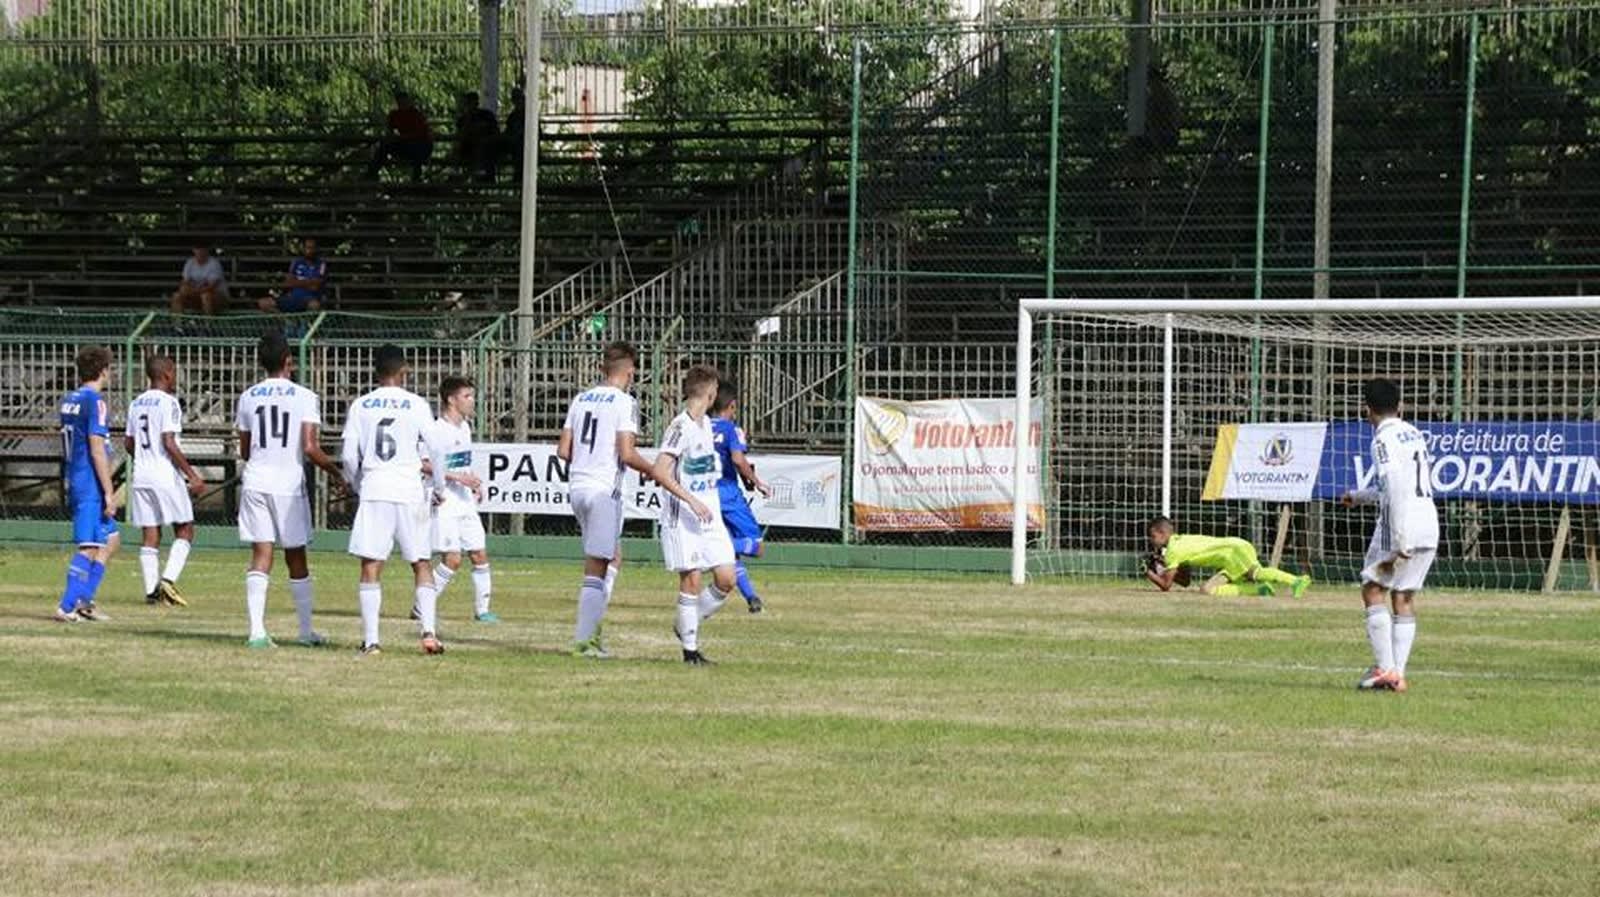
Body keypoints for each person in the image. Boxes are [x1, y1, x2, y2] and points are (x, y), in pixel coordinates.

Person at [558, 341, 703, 658]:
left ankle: (591, 631)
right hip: (602, 491)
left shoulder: (580, 399)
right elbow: (626, 452)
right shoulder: (625, 402)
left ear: (602, 369)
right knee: (596, 566)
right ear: (631, 370)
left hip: (577, 488)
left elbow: (564, 450)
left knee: (612, 557)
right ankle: (586, 640)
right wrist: (654, 471)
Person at [236, 332, 347, 648]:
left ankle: (257, 631)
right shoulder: (304, 396)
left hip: (256, 480)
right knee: (296, 556)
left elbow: (245, 449)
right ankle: (305, 630)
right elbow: (310, 448)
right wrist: (335, 472)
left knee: (261, 554)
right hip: (287, 484)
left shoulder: (248, 396)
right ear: (289, 361)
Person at [341, 344, 441, 656]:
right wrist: (438, 486)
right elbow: (436, 449)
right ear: (404, 371)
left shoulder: (362, 404)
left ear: (376, 371)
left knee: (371, 564)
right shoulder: (417, 404)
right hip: (409, 487)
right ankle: (429, 632)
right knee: (421, 562)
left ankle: (371, 641)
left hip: (375, 486)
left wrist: (355, 482)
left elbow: (347, 455)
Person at [1341, 378, 1439, 694]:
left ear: (1367, 410)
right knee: (1403, 597)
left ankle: (1385, 668)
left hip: (1402, 524)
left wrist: (1399, 538)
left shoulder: (1382, 439)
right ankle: (1398, 674)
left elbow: (1395, 484)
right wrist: (1359, 496)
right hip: (1429, 521)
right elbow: (1399, 483)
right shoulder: (1414, 433)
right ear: (1401, 406)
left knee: (1372, 589)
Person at [655, 365, 734, 665]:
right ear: (711, 393)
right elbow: (660, 471)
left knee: (726, 578)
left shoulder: (707, 425)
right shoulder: (680, 426)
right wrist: (691, 500)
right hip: (684, 516)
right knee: (692, 579)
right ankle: (690, 650)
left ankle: (684, 623)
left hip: (709, 515)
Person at [124, 355, 205, 608]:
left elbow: (129, 443)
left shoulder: (136, 403)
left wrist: (144, 458)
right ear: (168, 374)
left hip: (141, 475)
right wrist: (192, 475)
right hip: (164, 475)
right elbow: (169, 442)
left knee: (150, 533)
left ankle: (151, 593)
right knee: (185, 528)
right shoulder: (169, 402)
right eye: (175, 372)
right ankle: (168, 581)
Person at [424, 375, 497, 624]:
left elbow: (461, 463)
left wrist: (473, 482)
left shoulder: (464, 428)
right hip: (444, 499)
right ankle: (422, 606)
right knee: (452, 560)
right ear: (451, 400)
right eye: (466, 396)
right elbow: (424, 464)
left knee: (479, 554)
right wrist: (457, 478)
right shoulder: (435, 430)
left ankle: (482, 611)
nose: (471, 401)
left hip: (464, 499)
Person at [55, 346, 120, 623]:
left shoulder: (69, 399)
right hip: (89, 481)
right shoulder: (96, 401)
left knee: (111, 540)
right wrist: (109, 491)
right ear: (104, 370)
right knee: (90, 545)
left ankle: (85, 600)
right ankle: (67, 606)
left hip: (76, 475)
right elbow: (96, 449)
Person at [710, 380, 772, 613]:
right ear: (732, 406)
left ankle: (752, 598)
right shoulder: (731, 429)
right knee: (756, 545)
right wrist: (757, 483)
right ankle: (710, 548)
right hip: (727, 493)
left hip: (706, 494)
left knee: (731, 555)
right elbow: (738, 460)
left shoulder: (701, 426)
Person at [1144, 516, 1311, 598]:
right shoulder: (1177, 544)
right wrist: (1163, 566)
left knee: (1256, 574)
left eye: (1153, 536)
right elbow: (1186, 581)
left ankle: (1297, 581)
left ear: (1162, 533)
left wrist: (1149, 572)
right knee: (1207, 590)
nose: (1152, 541)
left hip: (1234, 551)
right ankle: (1260, 589)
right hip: (1232, 554)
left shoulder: (1174, 550)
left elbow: (1166, 586)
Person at [368, 90, 434, 182]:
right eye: (400, 102)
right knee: (384, 147)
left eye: (404, 102)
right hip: (406, 145)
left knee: (416, 151)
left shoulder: (416, 114)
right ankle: (372, 173)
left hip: (420, 145)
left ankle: (416, 178)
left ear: (408, 102)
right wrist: (392, 135)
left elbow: (422, 133)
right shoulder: (395, 115)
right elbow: (389, 130)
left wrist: (403, 137)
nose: (403, 104)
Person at [258, 238, 328, 314]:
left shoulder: (321, 264)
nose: (310, 251)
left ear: (316, 249)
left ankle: (305, 325)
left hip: (310, 298)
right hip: (292, 297)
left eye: (312, 248)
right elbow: (288, 283)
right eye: (307, 248)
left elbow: (315, 286)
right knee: (263, 303)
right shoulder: (296, 262)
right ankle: (286, 321)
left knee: (315, 305)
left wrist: (296, 282)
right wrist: (309, 282)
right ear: (303, 249)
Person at [453, 91, 499, 182]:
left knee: (485, 148)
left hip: (487, 148)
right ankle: (460, 176)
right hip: (467, 148)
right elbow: (460, 134)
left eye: (472, 102)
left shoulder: (487, 115)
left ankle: (483, 176)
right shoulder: (463, 119)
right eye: (468, 103)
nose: (470, 106)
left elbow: (495, 131)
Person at [171, 245, 228, 315]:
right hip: (196, 296)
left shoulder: (214, 264)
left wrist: (194, 291)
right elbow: (185, 282)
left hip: (217, 297)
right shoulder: (189, 263)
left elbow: (211, 287)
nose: (200, 251)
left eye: (202, 249)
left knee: (206, 296)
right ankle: (177, 324)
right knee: (177, 296)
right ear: (194, 250)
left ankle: (208, 324)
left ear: (207, 250)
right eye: (198, 249)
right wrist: (185, 289)